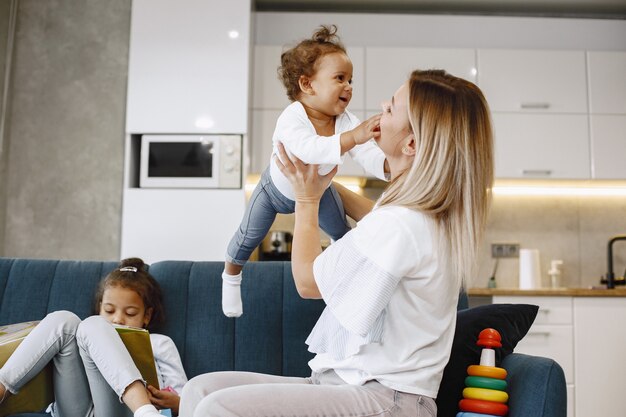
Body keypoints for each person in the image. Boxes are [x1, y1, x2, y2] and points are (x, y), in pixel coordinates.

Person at [179, 69, 494, 417]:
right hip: (348, 385)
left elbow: (308, 282)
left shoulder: (402, 224)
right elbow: (377, 219)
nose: (380, 106)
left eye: (391, 108)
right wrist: (314, 179)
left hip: (387, 399)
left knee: (216, 407)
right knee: (199, 390)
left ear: (412, 144)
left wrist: (306, 201)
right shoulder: (419, 215)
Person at [221, 24, 388, 318]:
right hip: (273, 191)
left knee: (341, 231)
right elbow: (308, 150)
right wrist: (352, 138)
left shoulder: (346, 120)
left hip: (317, 191)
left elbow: (366, 151)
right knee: (247, 236)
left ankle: (343, 274)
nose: (348, 86)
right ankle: (231, 277)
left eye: (350, 80)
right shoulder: (292, 117)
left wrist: (388, 166)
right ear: (307, 85)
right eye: (339, 78)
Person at [0, 258, 187, 417]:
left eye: (130, 313)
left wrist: (176, 403)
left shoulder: (160, 343)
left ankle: (145, 411)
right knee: (67, 320)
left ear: (147, 315)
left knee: (93, 324)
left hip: (120, 411)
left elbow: (185, 395)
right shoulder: (87, 332)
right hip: (76, 409)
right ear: (100, 307)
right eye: (109, 310)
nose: (118, 319)